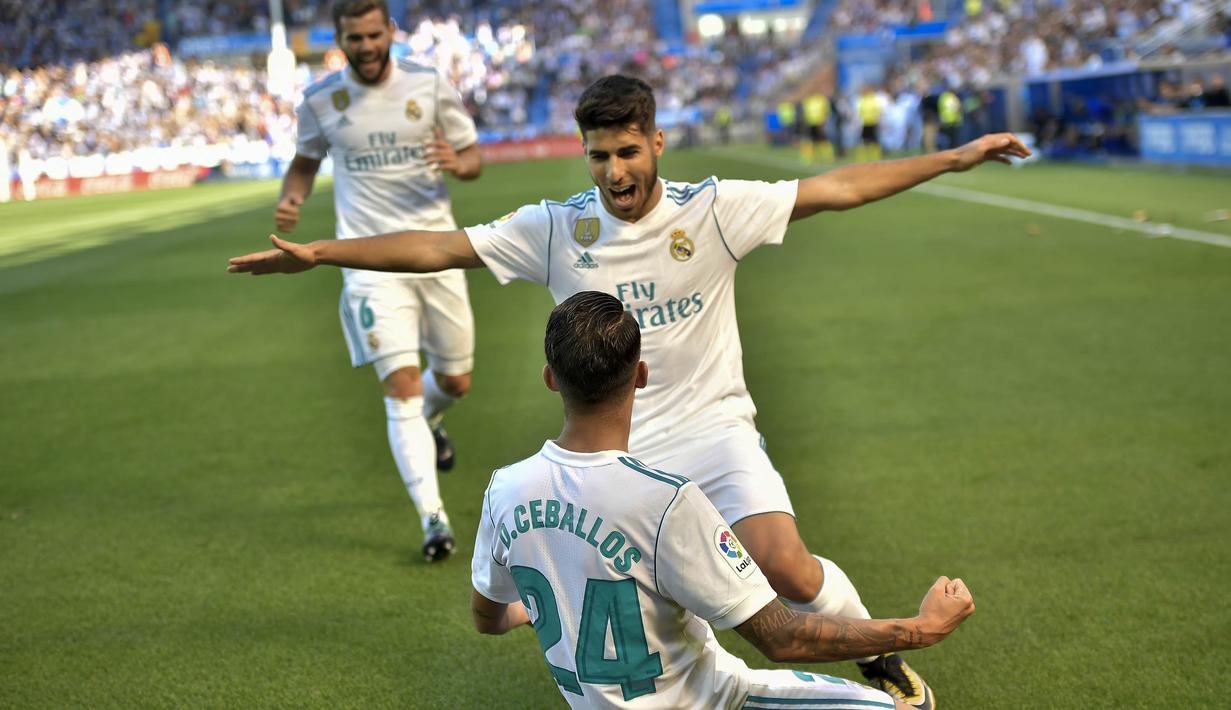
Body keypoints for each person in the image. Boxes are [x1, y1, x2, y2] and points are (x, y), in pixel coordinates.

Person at [230, 74, 1028, 707]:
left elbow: (840, 187)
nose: (613, 173)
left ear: (655, 140)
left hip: (714, 431)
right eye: (598, 156)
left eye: (626, 152)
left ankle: (876, 655)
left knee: (785, 567)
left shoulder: (715, 211)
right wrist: (325, 252)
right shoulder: (557, 228)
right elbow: (440, 246)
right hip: (617, 451)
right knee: (664, 628)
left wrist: (955, 157)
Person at [467, 290, 977, 709]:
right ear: (640, 376)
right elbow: (782, 638)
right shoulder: (665, 501)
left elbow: (487, 617)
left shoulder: (504, 490)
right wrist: (921, 629)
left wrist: (530, 610)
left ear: (550, 378)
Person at [273, 0, 483, 562]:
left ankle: (433, 417)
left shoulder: (429, 83)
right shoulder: (320, 101)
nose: (365, 46)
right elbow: (304, 160)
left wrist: (456, 162)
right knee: (402, 387)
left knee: (455, 381)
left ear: (390, 31)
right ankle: (433, 519)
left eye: (373, 34)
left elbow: (472, 157)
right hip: (367, 264)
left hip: (437, 253)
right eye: (353, 38)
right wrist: (292, 196)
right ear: (339, 39)